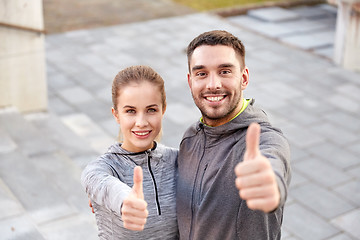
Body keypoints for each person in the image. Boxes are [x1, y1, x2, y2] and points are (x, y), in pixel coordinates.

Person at [176, 30, 291, 239]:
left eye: (225, 71)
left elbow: (273, 160)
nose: (213, 84)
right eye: (201, 73)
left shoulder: (266, 138)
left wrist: (270, 186)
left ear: (244, 78)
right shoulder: (189, 138)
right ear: (190, 81)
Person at [81, 65, 178, 239]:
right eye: (130, 111)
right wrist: (126, 200)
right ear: (116, 114)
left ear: (163, 110)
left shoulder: (179, 160)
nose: (141, 122)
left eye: (151, 110)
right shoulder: (102, 168)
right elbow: (100, 184)